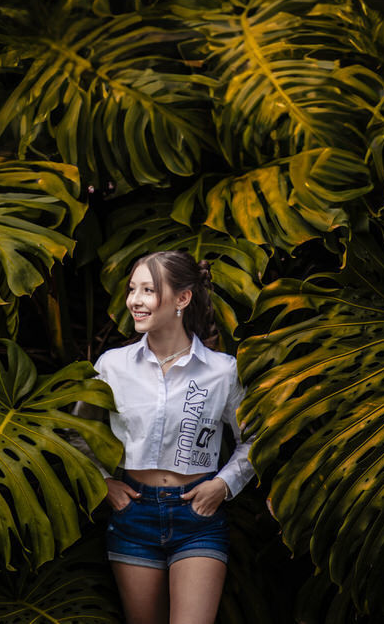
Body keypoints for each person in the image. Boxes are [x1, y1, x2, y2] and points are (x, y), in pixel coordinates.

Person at [75, 250, 255, 624]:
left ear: (182, 298)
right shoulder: (112, 366)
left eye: (148, 290)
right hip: (133, 514)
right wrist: (103, 482)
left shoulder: (221, 371)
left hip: (197, 516)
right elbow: (78, 434)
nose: (134, 301)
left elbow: (254, 440)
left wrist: (223, 484)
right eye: (131, 290)